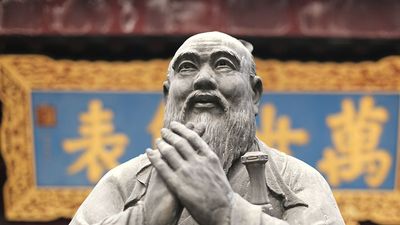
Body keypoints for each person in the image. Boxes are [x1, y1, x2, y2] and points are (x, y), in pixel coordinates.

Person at [70, 31, 345, 225]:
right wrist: (145, 219)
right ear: (168, 95)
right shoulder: (125, 183)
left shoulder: (295, 180)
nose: (203, 79)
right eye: (187, 67)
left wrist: (227, 211)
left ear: (255, 94)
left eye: (223, 65)